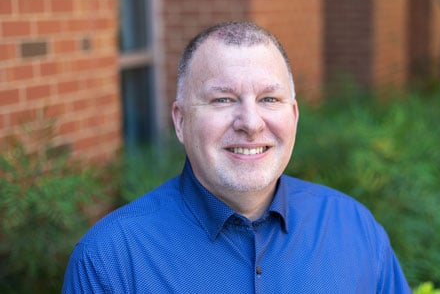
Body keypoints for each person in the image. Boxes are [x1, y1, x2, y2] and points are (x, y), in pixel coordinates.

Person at [62, 21, 411, 293]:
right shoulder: (111, 260)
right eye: (223, 99)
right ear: (181, 121)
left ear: (294, 115)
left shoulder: (354, 227)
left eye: (269, 99)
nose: (250, 123)